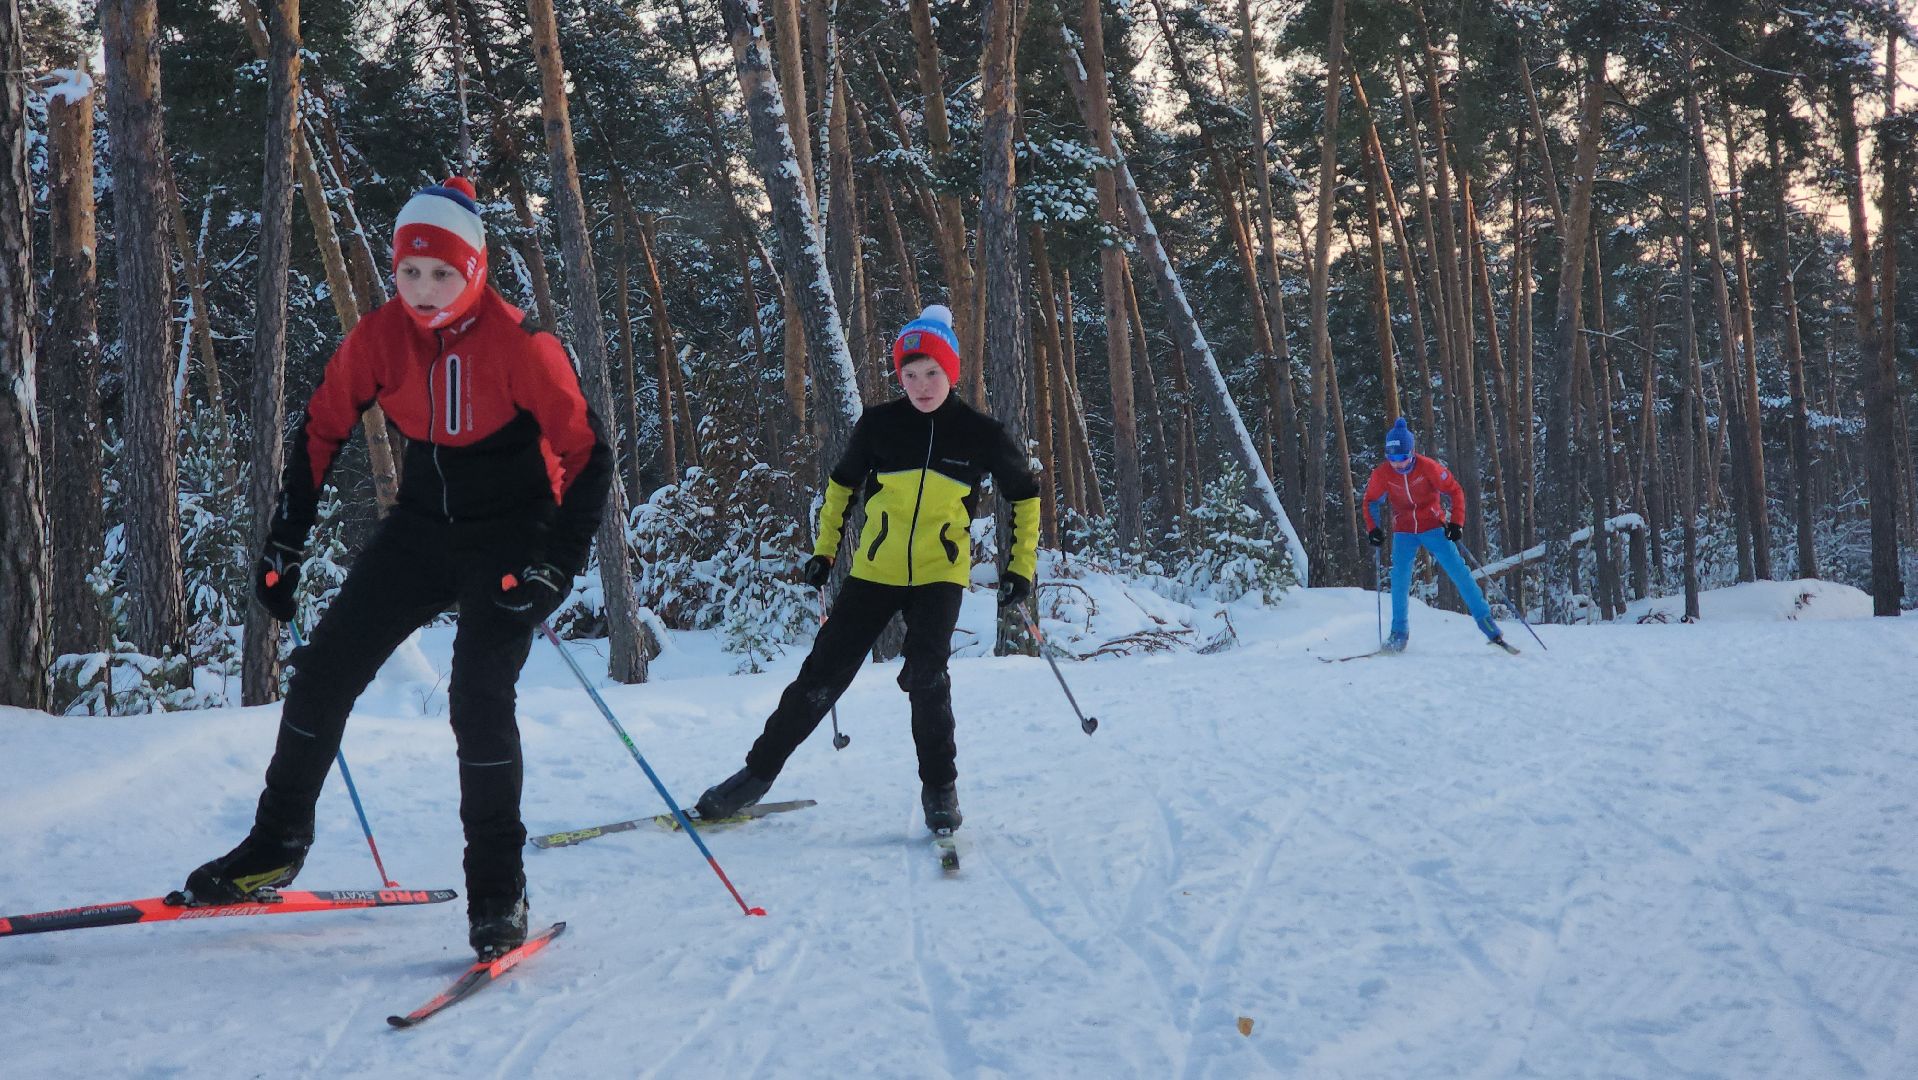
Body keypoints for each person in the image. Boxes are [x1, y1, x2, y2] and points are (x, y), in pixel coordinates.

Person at [180, 177, 614, 960]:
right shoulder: (382, 336)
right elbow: (321, 428)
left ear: (475, 270)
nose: (421, 290)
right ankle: (275, 845)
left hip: (513, 533)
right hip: (421, 527)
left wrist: (558, 564)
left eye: (441, 274)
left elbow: (588, 455)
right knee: (322, 670)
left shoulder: (524, 346)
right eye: (409, 272)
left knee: (478, 698)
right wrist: (286, 543)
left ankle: (497, 892)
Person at [695, 305, 1040, 833]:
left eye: (931, 373)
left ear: (951, 372)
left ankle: (940, 790)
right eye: (909, 375)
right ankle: (755, 775)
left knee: (926, 677)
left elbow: (1025, 495)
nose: (921, 386)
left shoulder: (981, 433)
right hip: (874, 571)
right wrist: (824, 551)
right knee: (820, 677)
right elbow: (841, 488)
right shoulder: (880, 424)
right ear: (898, 376)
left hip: (939, 574)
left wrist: (1019, 568)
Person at [1361, 417, 1506, 653]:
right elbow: (1370, 502)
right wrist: (1373, 528)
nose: (1398, 464)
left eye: (1402, 458)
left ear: (1412, 452)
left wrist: (1456, 523)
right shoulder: (1383, 474)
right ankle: (1398, 633)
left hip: (1433, 527)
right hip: (1404, 531)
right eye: (1392, 458)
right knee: (1399, 580)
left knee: (1459, 572)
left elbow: (1455, 491)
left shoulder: (1428, 467)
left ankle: (1487, 624)